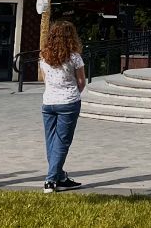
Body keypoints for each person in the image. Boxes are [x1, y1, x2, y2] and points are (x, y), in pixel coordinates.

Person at [40, 20, 86, 193]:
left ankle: (60, 176)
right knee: (62, 142)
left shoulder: (44, 55)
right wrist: (73, 93)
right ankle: (51, 180)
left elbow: (44, 79)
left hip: (49, 102)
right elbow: (81, 82)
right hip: (69, 101)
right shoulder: (74, 57)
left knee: (51, 141)